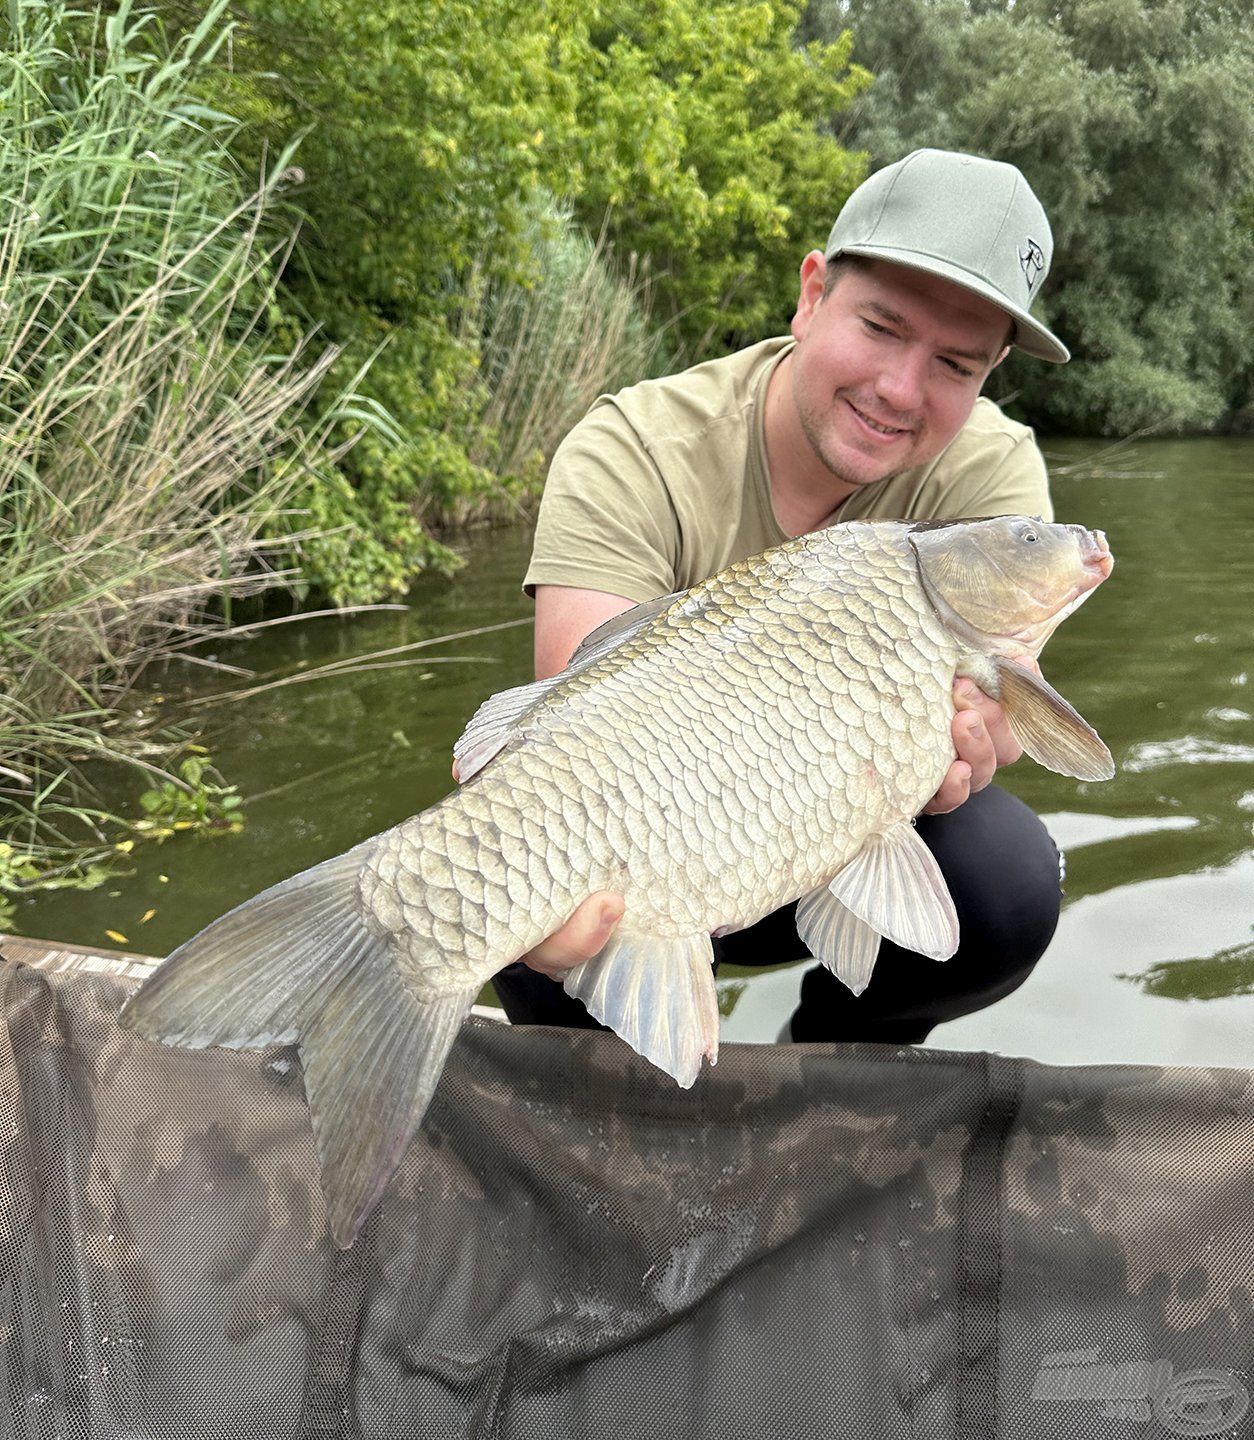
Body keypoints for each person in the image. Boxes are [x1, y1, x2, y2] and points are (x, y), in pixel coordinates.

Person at [491, 148, 1071, 1043]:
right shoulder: (632, 447)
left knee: (1009, 881)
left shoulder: (992, 478)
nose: (899, 389)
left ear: (990, 372)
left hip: (854, 825)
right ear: (810, 295)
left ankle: (831, 1073)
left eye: (957, 366)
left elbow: (992, 721)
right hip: (643, 837)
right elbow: (577, 725)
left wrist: (987, 736)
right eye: (880, 327)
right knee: (523, 895)